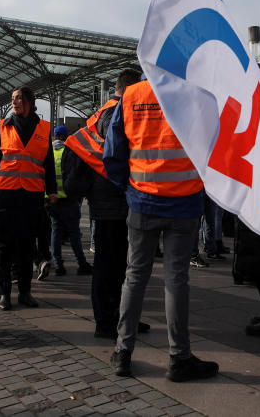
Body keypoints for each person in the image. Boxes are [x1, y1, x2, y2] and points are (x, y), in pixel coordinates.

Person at [103, 78, 218, 383]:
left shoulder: (131, 95)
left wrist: (129, 188)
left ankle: (123, 352)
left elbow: (112, 154)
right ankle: (179, 357)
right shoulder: (196, 93)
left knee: (135, 276)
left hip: (143, 202)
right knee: (176, 279)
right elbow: (214, 145)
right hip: (185, 203)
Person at [62, 68, 148, 339]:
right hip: (112, 200)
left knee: (116, 263)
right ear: (133, 89)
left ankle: (122, 317)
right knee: (109, 265)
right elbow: (119, 153)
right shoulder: (115, 112)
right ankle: (107, 321)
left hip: (110, 199)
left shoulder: (105, 110)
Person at [0, 86, 56, 310]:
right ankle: (4, 293)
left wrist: (52, 190)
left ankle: (25, 292)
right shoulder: (3, 126)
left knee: (27, 246)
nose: (15, 102)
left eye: (18, 98)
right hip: (5, 194)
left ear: (30, 100)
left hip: (32, 194)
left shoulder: (44, 128)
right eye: (12, 99)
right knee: (3, 246)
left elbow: (47, 162)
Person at [48, 124, 92, 276]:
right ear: (66, 137)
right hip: (68, 199)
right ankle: (81, 263)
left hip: (51, 199)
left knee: (56, 231)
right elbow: (74, 176)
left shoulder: (49, 151)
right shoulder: (70, 150)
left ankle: (58, 264)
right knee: (74, 232)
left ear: (55, 136)